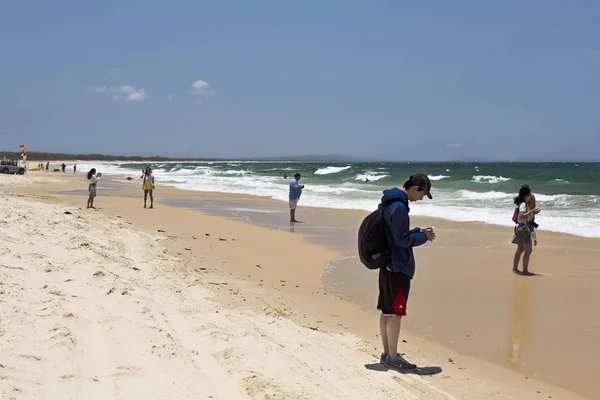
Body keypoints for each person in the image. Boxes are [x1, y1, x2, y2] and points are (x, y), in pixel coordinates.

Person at [377, 173, 435, 370]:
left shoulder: (391, 202)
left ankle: (387, 353)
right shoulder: (399, 207)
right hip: (398, 267)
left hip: (387, 265)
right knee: (396, 313)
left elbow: (396, 235)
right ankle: (393, 357)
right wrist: (424, 238)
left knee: (387, 311)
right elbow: (401, 240)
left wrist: (417, 231)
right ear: (415, 188)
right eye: (422, 194)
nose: (420, 199)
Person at [512, 186, 541, 275]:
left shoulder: (522, 204)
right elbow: (521, 215)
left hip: (520, 228)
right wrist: (532, 211)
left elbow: (522, 216)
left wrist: (532, 212)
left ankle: (515, 269)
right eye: (529, 195)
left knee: (520, 249)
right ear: (526, 196)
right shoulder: (524, 204)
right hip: (524, 228)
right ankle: (525, 270)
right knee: (528, 251)